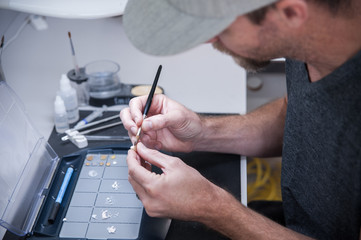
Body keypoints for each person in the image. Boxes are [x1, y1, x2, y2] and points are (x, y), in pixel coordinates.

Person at [120, 0, 361, 239]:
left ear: (291, 13)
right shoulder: (312, 32)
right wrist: (203, 132)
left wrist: (211, 207)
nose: (207, 39)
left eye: (221, 27)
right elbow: (301, 112)